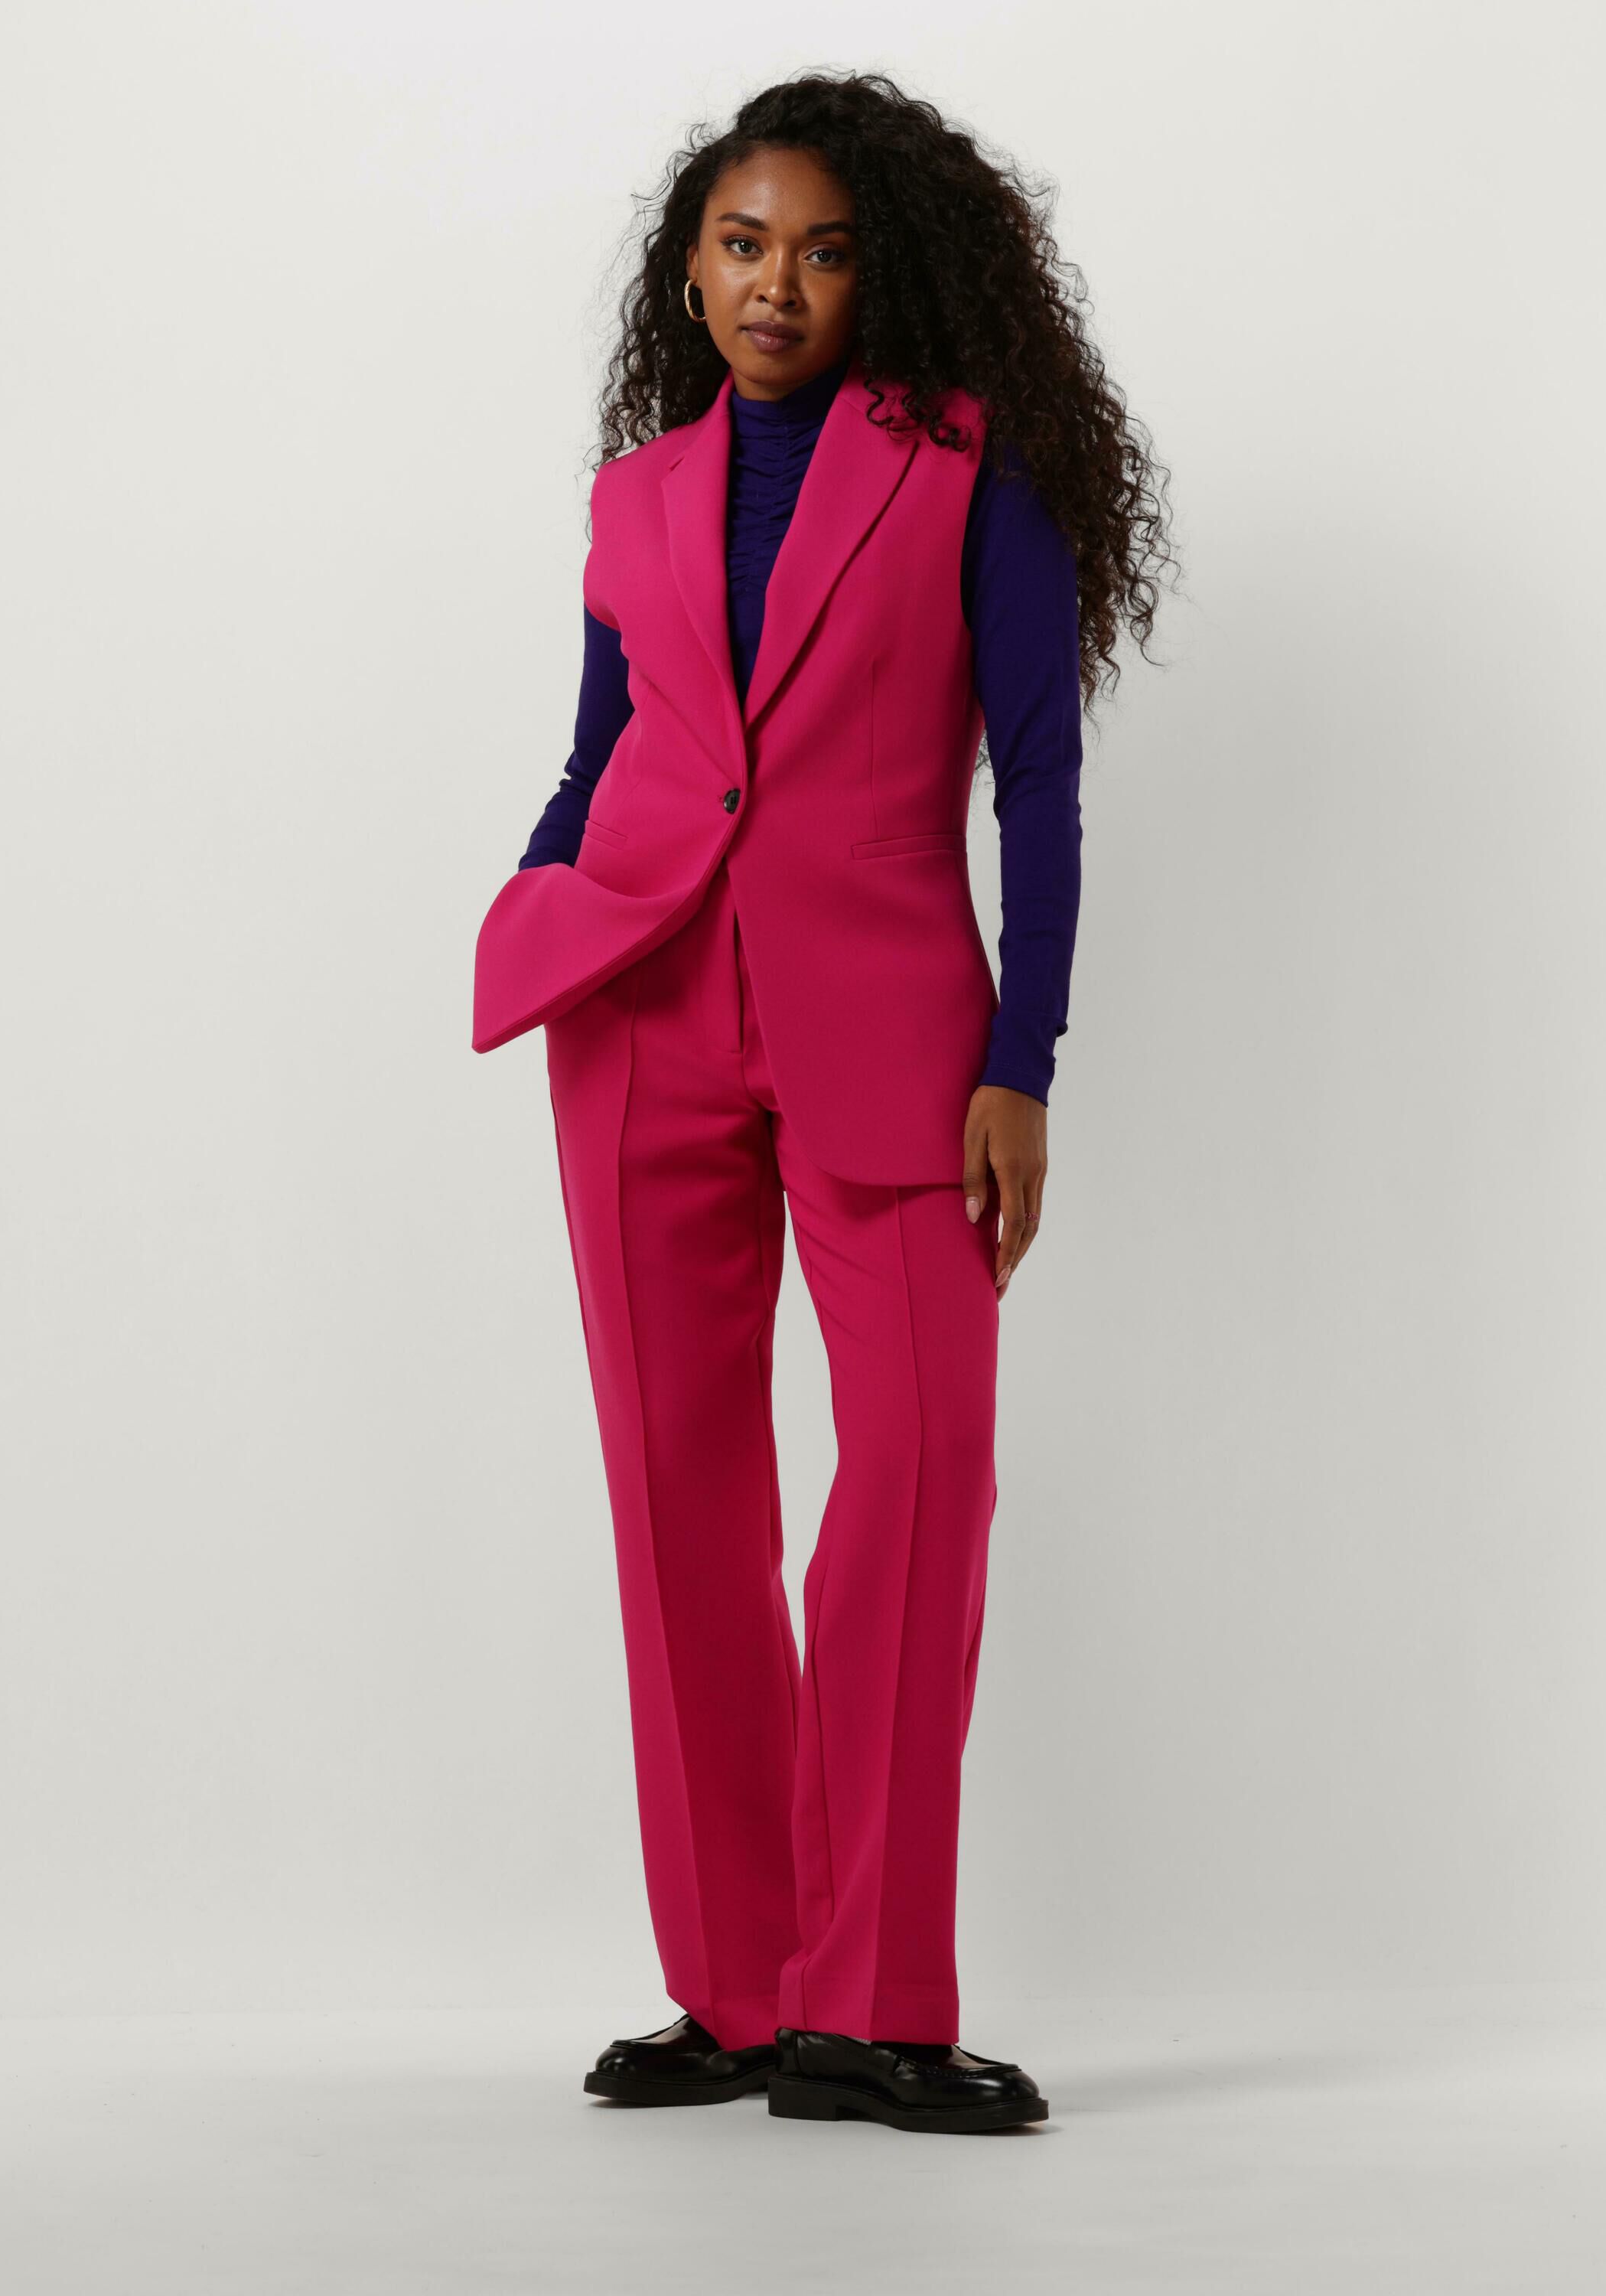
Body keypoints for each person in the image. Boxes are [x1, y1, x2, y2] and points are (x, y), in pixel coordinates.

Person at [472, 69, 1174, 2135]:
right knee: (676, 1497)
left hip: (895, 1040)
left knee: (918, 1478)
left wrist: (1021, 1059)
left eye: (825, 251)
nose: (777, 283)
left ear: (891, 274)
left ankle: (866, 2005)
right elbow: (607, 745)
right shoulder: (634, 500)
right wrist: (536, 909)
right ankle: (738, 1992)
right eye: (742, 244)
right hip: (639, 1017)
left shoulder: (969, 472)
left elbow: (1039, 782)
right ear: (689, 272)